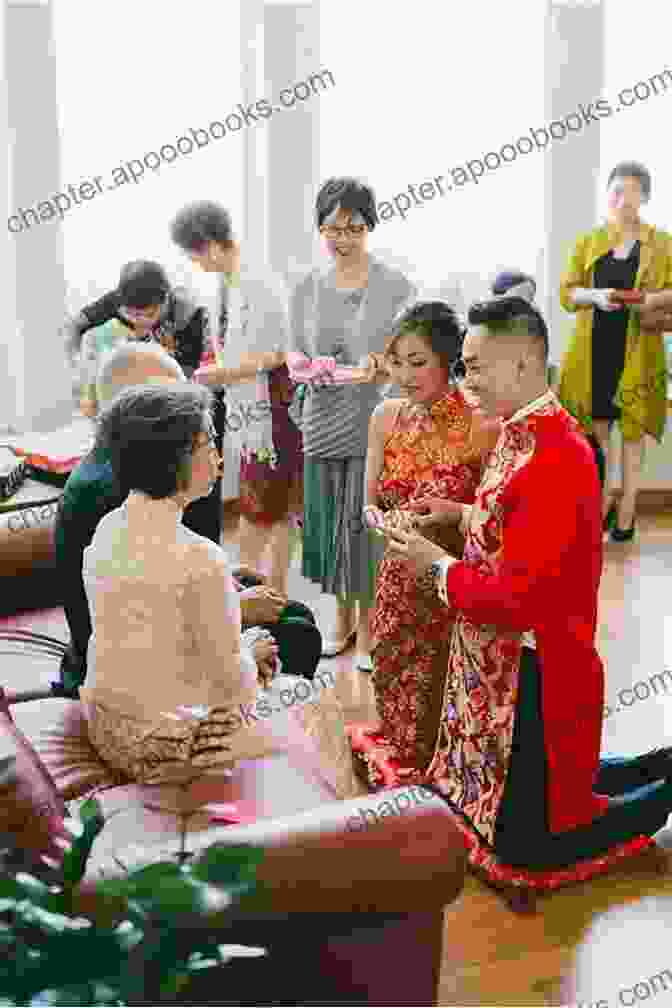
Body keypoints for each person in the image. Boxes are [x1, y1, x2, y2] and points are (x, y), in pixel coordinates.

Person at [382, 290, 672, 892]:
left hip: (536, 673)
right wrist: (460, 515)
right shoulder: (520, 431)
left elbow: (519, 603)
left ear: (522, 366)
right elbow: (512, 529)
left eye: (477, 365)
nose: (468, 378)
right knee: (525, 801)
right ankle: (623, 773)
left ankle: (660, 793)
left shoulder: (559, 454)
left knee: (530, 846)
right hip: (506, 670)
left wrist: (435, 565)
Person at [78, 382, 359, 795]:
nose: (218, 453)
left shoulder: (109, 528)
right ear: (173, 459)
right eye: (209, 442)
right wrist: (250, 651)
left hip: (106, 724)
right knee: (316, 701)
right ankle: (341, 826)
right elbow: (236, 691)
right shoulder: (199, 558)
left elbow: (152, 641)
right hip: (168, 746)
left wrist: (238, 643)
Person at [53, 343, 322, 698]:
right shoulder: (107, 491)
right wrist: (235, 606)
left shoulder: (121, 465)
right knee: (298, 633)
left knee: (291, 613)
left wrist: (226, 580)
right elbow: (135, 620)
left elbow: (163, 570)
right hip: (132, 670)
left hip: (155, 637)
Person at [347, 301, 499, 786]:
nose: (405, 375)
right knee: (391, 665)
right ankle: (409, 760)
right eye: (397, 361)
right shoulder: (385, 416)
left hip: (454, 578)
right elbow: (368, 503)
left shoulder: (482, 422)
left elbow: (494, 513)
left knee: (442, 680)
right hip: (396, 571)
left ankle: (446, 766)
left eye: (418, 363)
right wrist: (379, 520)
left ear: (448, 361)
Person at [289, 177, 415, 667]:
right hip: (321, 420)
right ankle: (340, 622)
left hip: (374, 420)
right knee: (327, 526)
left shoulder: (395, 286)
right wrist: (310, 367)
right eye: (332, 228)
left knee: (364, 525)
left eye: (354, 227)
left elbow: (410, 356)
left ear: (370, 226)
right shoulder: (306, 288)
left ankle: (369, 630)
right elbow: (294, 357)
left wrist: (384, 366)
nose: (342, 237)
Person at [170, 201, 302, 597]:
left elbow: (280, 353)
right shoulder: (226, 283)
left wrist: (223, 373)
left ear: (209, 244)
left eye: (193, 253)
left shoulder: (259, 280)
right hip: (248, 405)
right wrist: (219, 367)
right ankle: (261, 590)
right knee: (262, 501)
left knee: (269, 505)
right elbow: (232, 346)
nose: (194, 263)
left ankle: (258, 591)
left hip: (272, 404)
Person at [558, 161, 672, 541]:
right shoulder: (589, 241)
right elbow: (568, 293)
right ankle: (603, 506)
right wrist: (596, 295)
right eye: (616, 190)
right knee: (599, 433)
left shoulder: (662, 243)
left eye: (633, 191)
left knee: (634, 433)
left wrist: (651, 299)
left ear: (646, 197)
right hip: (594, 348)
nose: (623, 199)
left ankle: (627, 514)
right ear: (608, 195)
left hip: (640, 347)